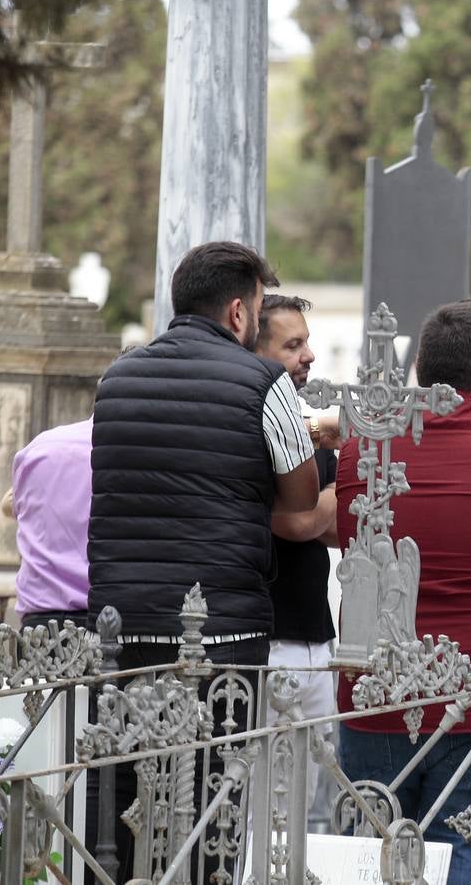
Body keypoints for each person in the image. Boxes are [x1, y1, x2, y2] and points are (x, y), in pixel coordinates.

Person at [87, 241, 318, 881]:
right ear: (240, 313)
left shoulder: (117, 378)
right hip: (224, 629)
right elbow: (298, 499)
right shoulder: (265, 385)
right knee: (215, 795)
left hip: (123, 624)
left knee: (122, 794)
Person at [334, 299, 471, 885]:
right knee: (469, 855)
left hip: (376, 694)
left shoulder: (365, 448)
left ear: (418, 372)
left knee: (370, 861)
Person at [254, 294, 339, 808]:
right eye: (292, 345)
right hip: (271, 643)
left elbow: (332, 531)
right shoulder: (252, 432)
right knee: (263, 813)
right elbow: (299, 522)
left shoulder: (307, 429)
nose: (308, 356)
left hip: (317, 639)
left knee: (305, 812)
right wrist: (340, 492)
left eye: (307, 342)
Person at [7, 415, 95, 630]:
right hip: (111, 619)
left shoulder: (40, 447)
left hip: (39, 623)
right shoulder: (146, 454)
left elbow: (13, 504)